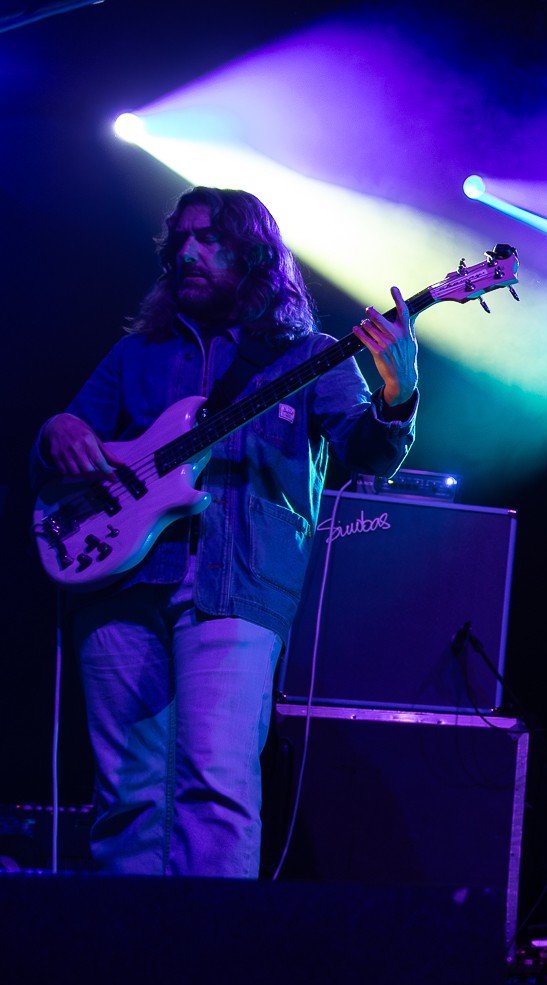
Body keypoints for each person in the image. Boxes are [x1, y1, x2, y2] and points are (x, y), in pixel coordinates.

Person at [33, 186, 420, 878]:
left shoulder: (310, 355)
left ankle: (211, 975)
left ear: (255, 256)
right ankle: (129, 974)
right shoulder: (136, 354)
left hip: (236, 584)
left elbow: (368, 455)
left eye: (208, 238)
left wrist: (398, 393)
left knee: (214, 786)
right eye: (179, 240)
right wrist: (55, 431)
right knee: (125, 797)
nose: (187, 251)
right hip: (118, 582)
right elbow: (64, 443)